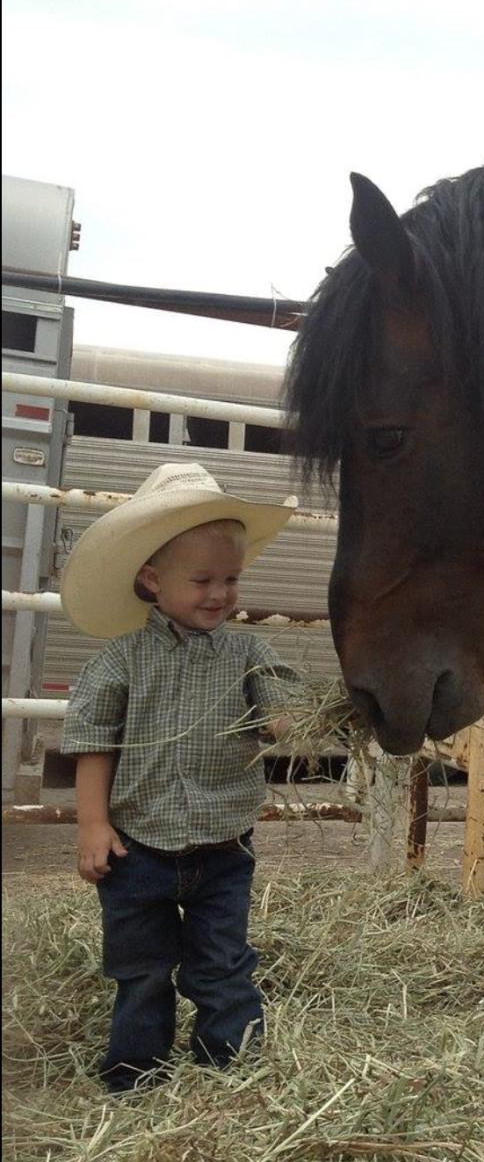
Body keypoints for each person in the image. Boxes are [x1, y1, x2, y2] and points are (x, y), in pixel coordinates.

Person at [58, 461, 300, 1094]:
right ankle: (136, 1072)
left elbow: (281, 714)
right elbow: (91, 744)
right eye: (201, 580)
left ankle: (233, 1064)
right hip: (136, 850)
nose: (219, 594)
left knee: (223, 962)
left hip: (224, 846)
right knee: (140, 967)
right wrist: (92, 822)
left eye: (231, 579)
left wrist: (285, 720)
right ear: (151, 579)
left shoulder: (249, 652)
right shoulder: (119, 661)